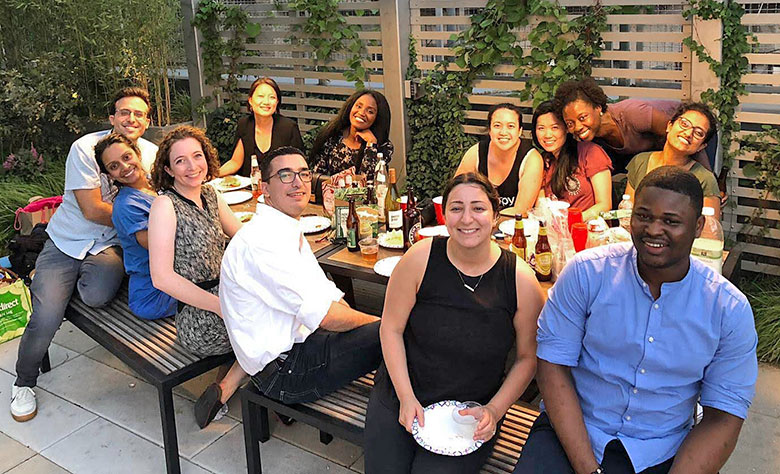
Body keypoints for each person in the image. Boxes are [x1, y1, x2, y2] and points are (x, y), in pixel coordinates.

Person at [514, 166, 757, 474]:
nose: (654, 230)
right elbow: (552, 364)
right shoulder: (587, 273)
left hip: (663, 448)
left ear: (697, 226)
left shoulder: (728, 309)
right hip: (573, 431)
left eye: (671, 221)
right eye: (644, 216)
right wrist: (588, 469)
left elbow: (724, 416)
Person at [364, 172, 545, 474]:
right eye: (456, 208)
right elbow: (391, 328)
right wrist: (406, 398)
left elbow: (528, 358)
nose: (466, 219)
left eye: (478, 207)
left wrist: (494, 410)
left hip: (468, 413)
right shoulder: (420, 257)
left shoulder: (520, 280)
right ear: (444, 215)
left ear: (495, 214)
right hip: (402, 392)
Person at [10, 87, 158, 423]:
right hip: (67, 241)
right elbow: (92, 209)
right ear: (112, 117)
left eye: (138, 114)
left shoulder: (150, 153)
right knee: (47, 316)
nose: (131, 119)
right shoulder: (85, 148)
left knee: (96, 296)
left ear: (147, 122)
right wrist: (149, 218)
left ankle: (62, 287)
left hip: (108, 245)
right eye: (124, 112)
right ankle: (24, 382)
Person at [220, 146, 381, 407]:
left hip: (300, 345)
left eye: (303, 174)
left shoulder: (283, 227)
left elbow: (327, 294)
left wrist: (372, 328)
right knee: (399, 332)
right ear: (265, 188)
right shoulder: (262, 242)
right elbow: (326, 317)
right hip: (285, 373)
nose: (298, 182)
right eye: (285, 175)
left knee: (387, 332)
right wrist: (380, 325)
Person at [147, 125, 246, 429]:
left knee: (290, 308)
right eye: (180, 161)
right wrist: (219, 306)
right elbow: (161, 278)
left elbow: (242, 238)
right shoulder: (165, 205)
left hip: (229, 298)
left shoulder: (210, 194)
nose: (192, 167)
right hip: (199, 316)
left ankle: (225, 387)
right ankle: (250, 386)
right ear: (168, 168)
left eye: (197, 156)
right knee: (282, 322)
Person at [95, 133, 176, 320]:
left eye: (126, 157)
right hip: (154, 292)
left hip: (180, 273)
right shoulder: (126, 206)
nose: (125, 167)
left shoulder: (157, 182)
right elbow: (160, 247)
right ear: (109, 175)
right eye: (114, 166)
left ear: (137, 154)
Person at [554, 77, 711, 173]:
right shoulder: (594, 140)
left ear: (598, 108)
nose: (578, 127)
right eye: (570, 123)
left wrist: (710, 179)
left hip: (692, 132)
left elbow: (680, 137)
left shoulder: (633, 114)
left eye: (583, 117)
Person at [625, 102, 721, 218]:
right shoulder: (640, 161)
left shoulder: (704, 179)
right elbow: (627, 214)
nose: (688, 133)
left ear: (701, 146)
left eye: (698, 133)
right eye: (684, 124)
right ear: (669, 126)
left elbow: (710, 230)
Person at [455, 103, 543, 213]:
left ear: (520, 130)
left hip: (512, 226)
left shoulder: (531, 159)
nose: (503, 132)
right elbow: (455, 194)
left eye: (511, 126)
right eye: (497, 125)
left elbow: (521, 211)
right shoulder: (476, 153)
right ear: (490, 129)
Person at [533, 101, 612, 222]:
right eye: (541, 128)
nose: (547, 135)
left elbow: (604, 205)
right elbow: (541, 204)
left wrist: (572, 221)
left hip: (588, 229)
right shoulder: (542, 161)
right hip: (555, 232)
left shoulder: (590, 152)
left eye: (555, 127)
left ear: (566, 129)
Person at [218, 77, 304, 177]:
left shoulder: (289, 127)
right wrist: (210, 176)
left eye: (272, 97)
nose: (266, 102)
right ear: (250, 100)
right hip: (249, 189)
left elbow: (299, 166)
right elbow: (235, 162)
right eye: (261, 96)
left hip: (280, 187)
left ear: (277, 102)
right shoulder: (244, 125)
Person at [310, 89, 392, 183]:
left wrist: (371, 146)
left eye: (370, 111)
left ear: (377, 118)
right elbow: (317, 178)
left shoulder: (383, 146)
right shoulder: (333, 135)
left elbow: (370, 183)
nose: (361, 113)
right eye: (358, 106)